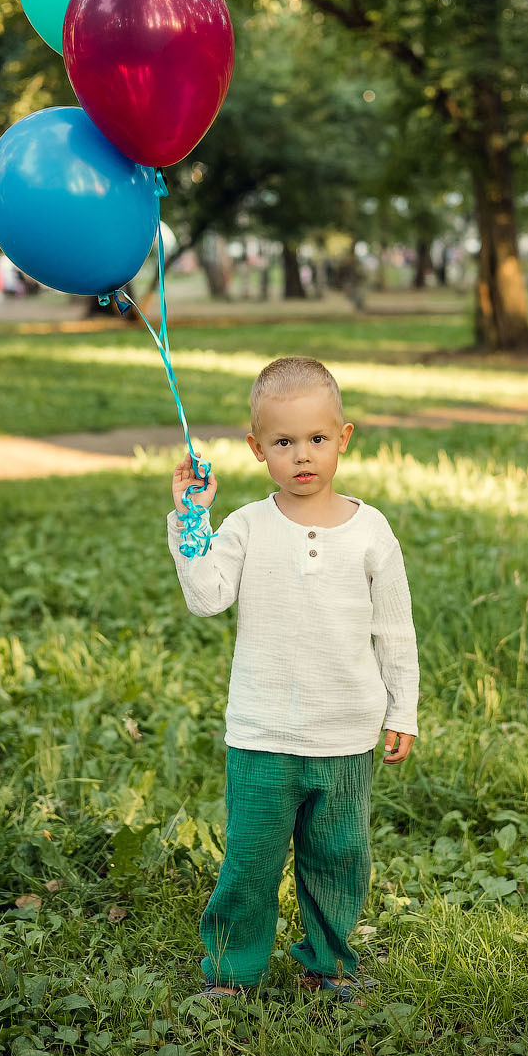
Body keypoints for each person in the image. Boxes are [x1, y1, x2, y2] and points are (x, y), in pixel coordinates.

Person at [167, 357, 419, 1004]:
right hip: (262, 731)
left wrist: (403, 710)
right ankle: (231, 973)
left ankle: (331, 964)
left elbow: (395, 632)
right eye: (283, 442)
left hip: (344, 736)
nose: (301, 456)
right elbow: (206, 597)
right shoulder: (249, 526)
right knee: (250, 862)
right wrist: (192, 521)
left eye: (316, 439)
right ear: (257, 449)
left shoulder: (372, 531)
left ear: (344, 438)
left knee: (337, 860)